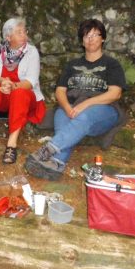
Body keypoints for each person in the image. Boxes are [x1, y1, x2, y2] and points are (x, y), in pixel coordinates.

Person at [25, 19, 127, 181]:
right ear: (82, 41)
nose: (90, 39)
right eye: (86, 35)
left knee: (84, 116)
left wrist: (86, 104)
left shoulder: (111, 64)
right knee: (64, 125)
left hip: (103, 110)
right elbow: (60, 91)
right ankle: (56, 165)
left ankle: (47, 150)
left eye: (95, 35)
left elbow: (115, 93)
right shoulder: (72, 65)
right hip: (70, 106)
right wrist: (66, 107)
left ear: (103, 38)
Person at [0, 17, 46, 164]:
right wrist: (1, 81)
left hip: (25, 97)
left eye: (25, 32)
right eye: (19, 33)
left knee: (19, 93)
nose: (24, 36)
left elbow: (31, 81)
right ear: (8, 36)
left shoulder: (32, 52)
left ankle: (12, 143)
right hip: (3, 96)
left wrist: (13, 86)